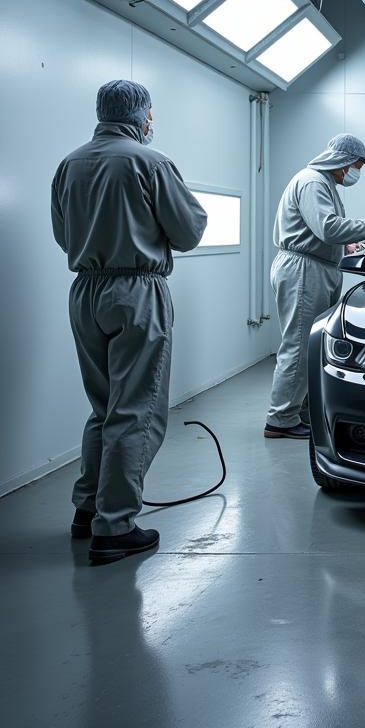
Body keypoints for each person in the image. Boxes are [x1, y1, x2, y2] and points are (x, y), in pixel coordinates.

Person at [52, 80, 208, 564]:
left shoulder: (69, 164)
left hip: (86, 290)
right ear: (141, 116)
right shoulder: (150, 161)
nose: (152, 123)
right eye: (152, 115)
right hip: (137, 290)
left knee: (103, 407)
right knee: (136, 409)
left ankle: (87, 509)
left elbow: (63, 234)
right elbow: (189, 231)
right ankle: (115, 526)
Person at [265, 133, 365, 439]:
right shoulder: (314, 182)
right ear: (343, 160)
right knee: (301, 345)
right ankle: (280, 419)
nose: (358, 170)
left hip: (316, 266)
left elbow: (317, 230)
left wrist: (345, 246)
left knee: (310, 345)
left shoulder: (323, 183)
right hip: (304, 270)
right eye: (357, 164)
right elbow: (328, 227)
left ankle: (298, 410)